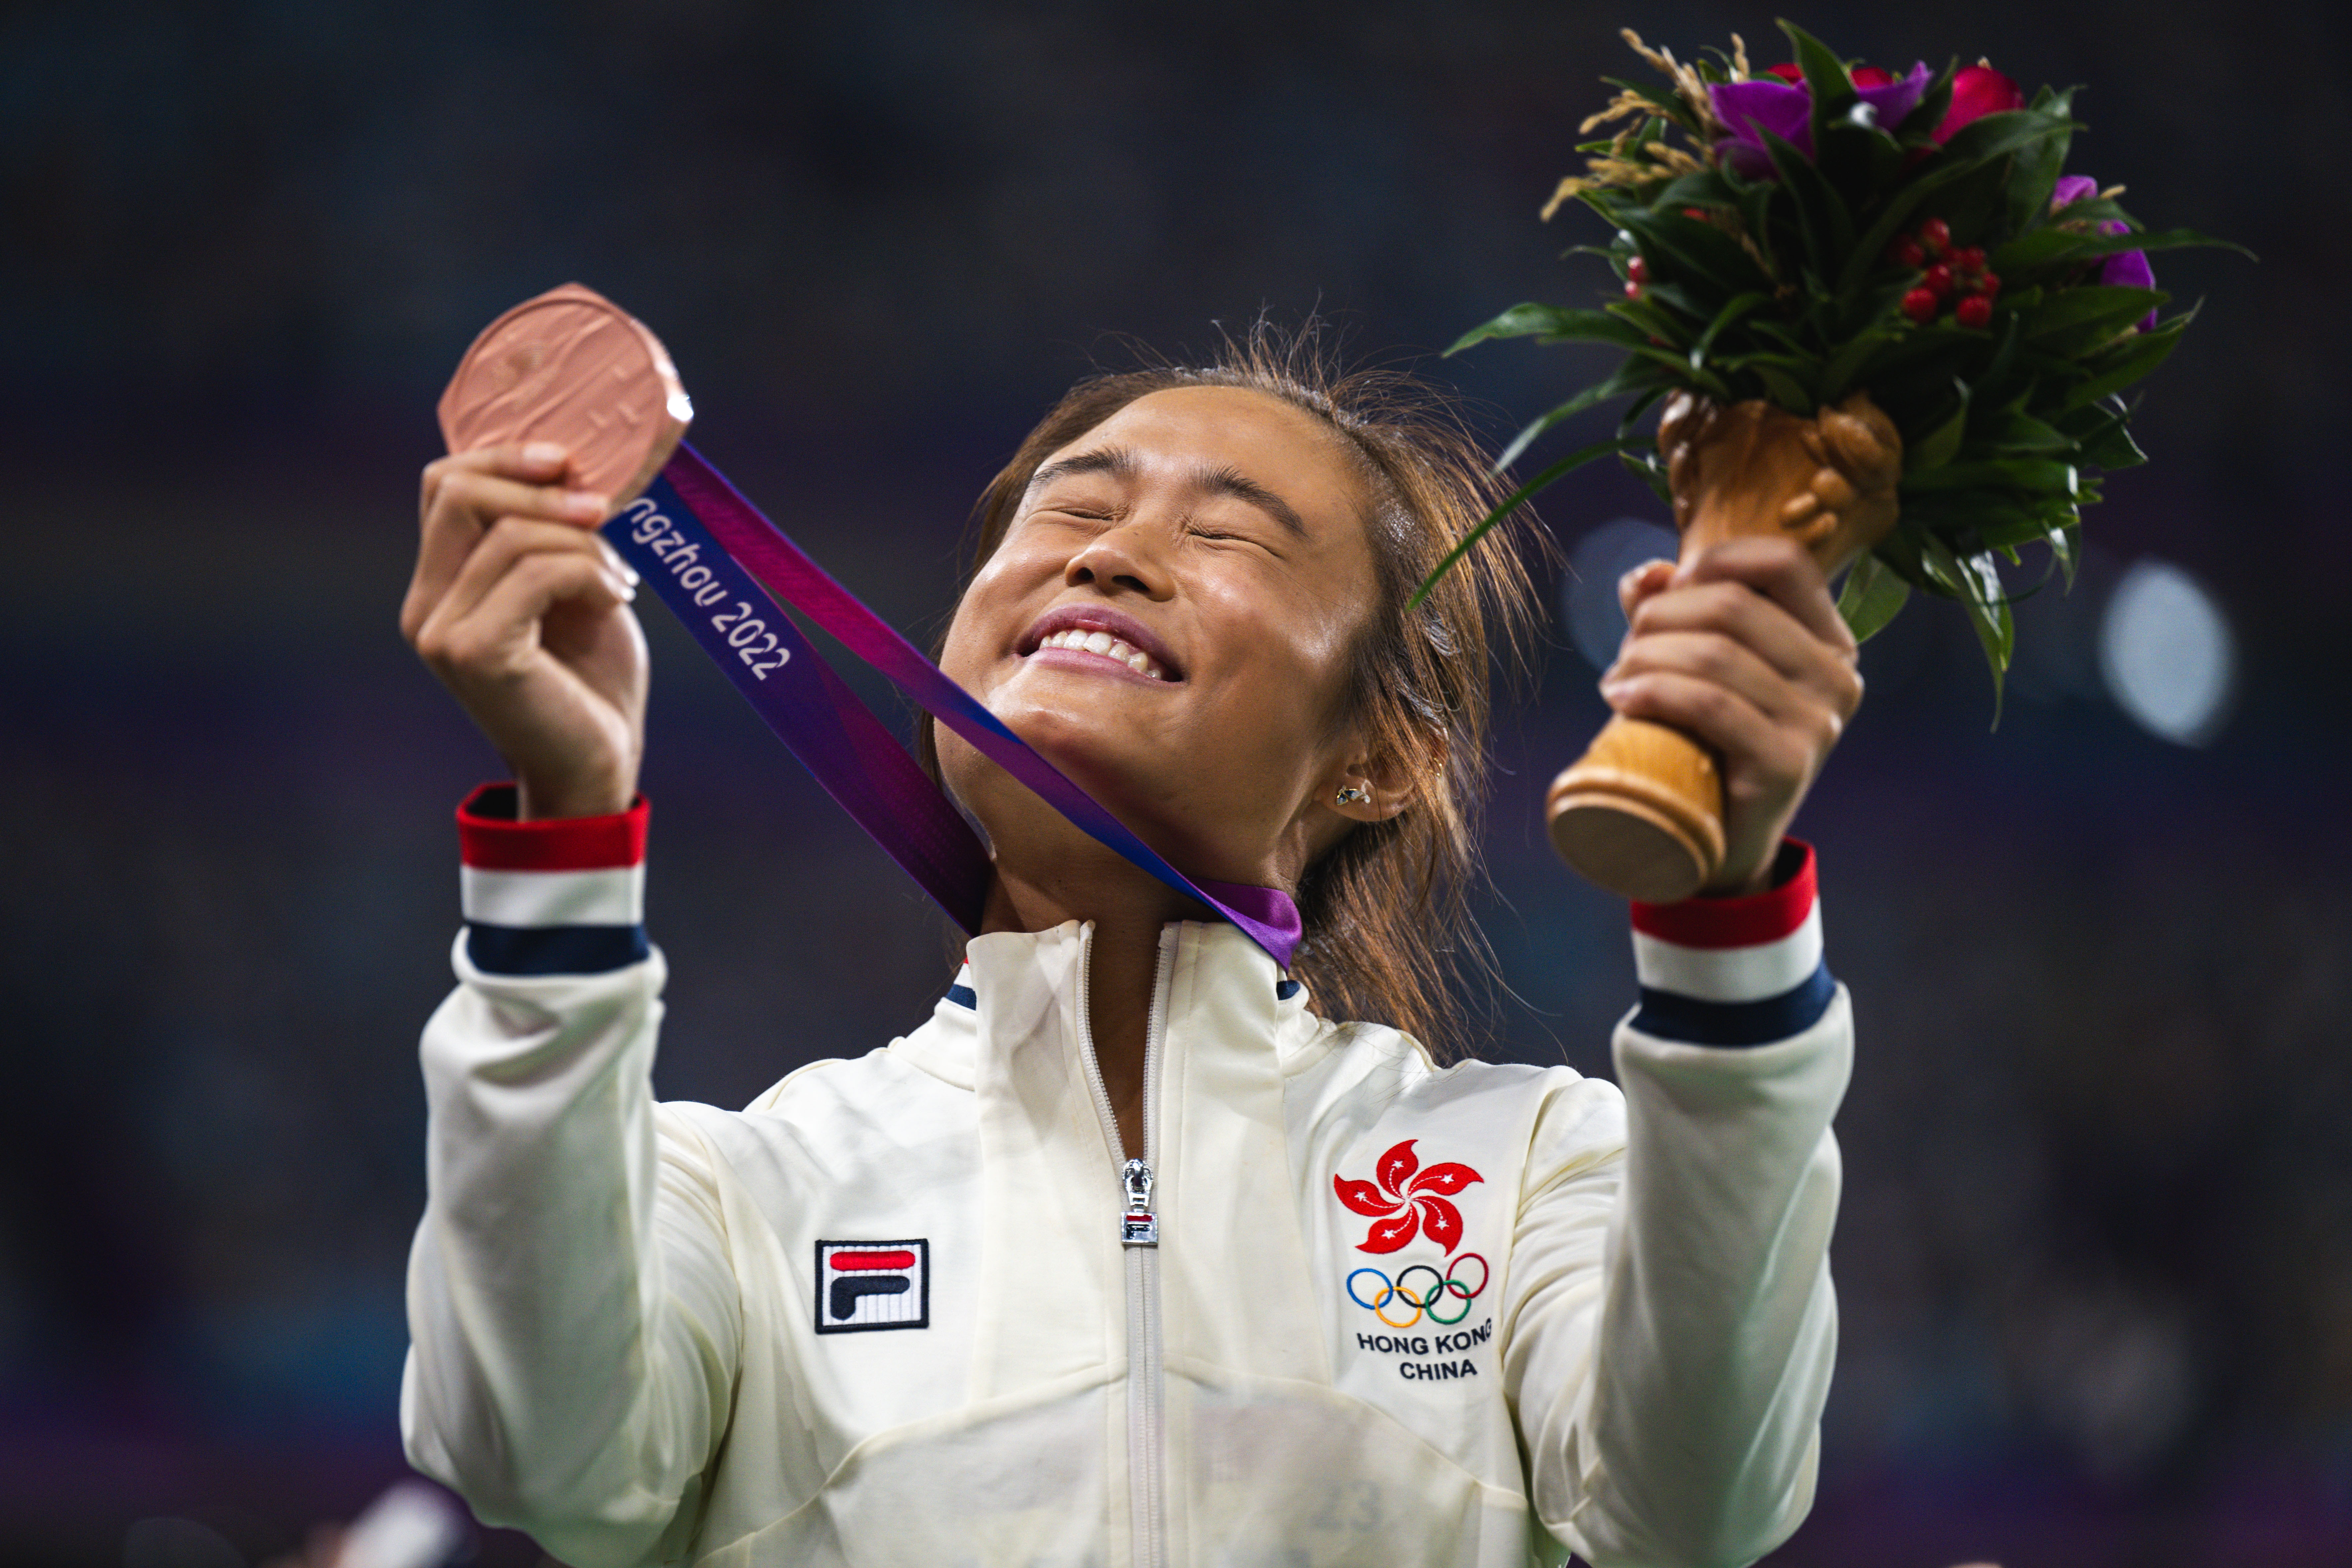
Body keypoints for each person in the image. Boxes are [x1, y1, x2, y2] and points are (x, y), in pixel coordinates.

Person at [396, 330, 1861, 1568]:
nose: (1107, 554)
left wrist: (1726, 928)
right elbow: (537, 1452)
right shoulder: (740, 1193)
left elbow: (1693, 1506)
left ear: (1382, 755)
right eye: (1067, 512)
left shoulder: (1523, 1167)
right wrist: (565, 833)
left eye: (1227, 535)